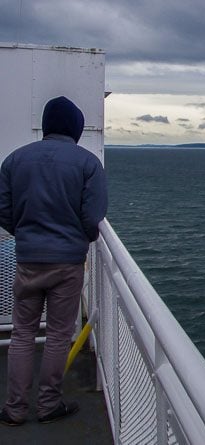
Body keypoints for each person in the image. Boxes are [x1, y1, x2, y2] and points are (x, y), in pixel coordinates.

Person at [0, 96, 108, 426]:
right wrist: (80, 239)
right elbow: (94, 216)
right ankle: (48, 404)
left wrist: (26, 234)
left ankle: (14, 408)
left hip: (28, 258)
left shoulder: (15, 160)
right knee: (59, 336)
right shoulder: (88, 164)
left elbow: (4, 210)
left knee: (21, 334)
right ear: (75, 127)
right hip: (68, 262)